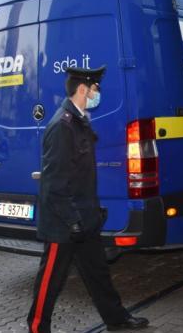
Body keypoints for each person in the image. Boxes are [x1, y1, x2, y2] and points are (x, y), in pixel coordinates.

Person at [28, 66, 148, 333]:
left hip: (84, 218)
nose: (97, 94)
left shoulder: (80, 120)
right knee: (51, 278)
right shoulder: (62, 126)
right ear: (83, 90)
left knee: (98, 273)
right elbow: (54, 184)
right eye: (96, 89)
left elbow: (80, 176)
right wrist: (72, 221)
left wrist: (91, 214)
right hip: (65, 222)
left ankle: (116, 319)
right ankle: (37, 327)